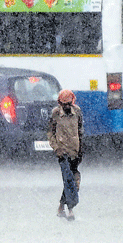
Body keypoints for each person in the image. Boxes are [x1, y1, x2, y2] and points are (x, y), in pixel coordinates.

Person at [47, 89, 83, 221]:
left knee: (74, 181)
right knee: (68, 179)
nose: (67, 107)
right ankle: (71, 210)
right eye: (64, 104)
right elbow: (50, 133)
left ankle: (61, 207)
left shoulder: (77, 112)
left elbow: (80, 131)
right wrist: (56, 149)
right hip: (62, 153)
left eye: (69, 104)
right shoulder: (55, 114)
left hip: (75, 152)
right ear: (60, 104)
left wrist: (81, 150)